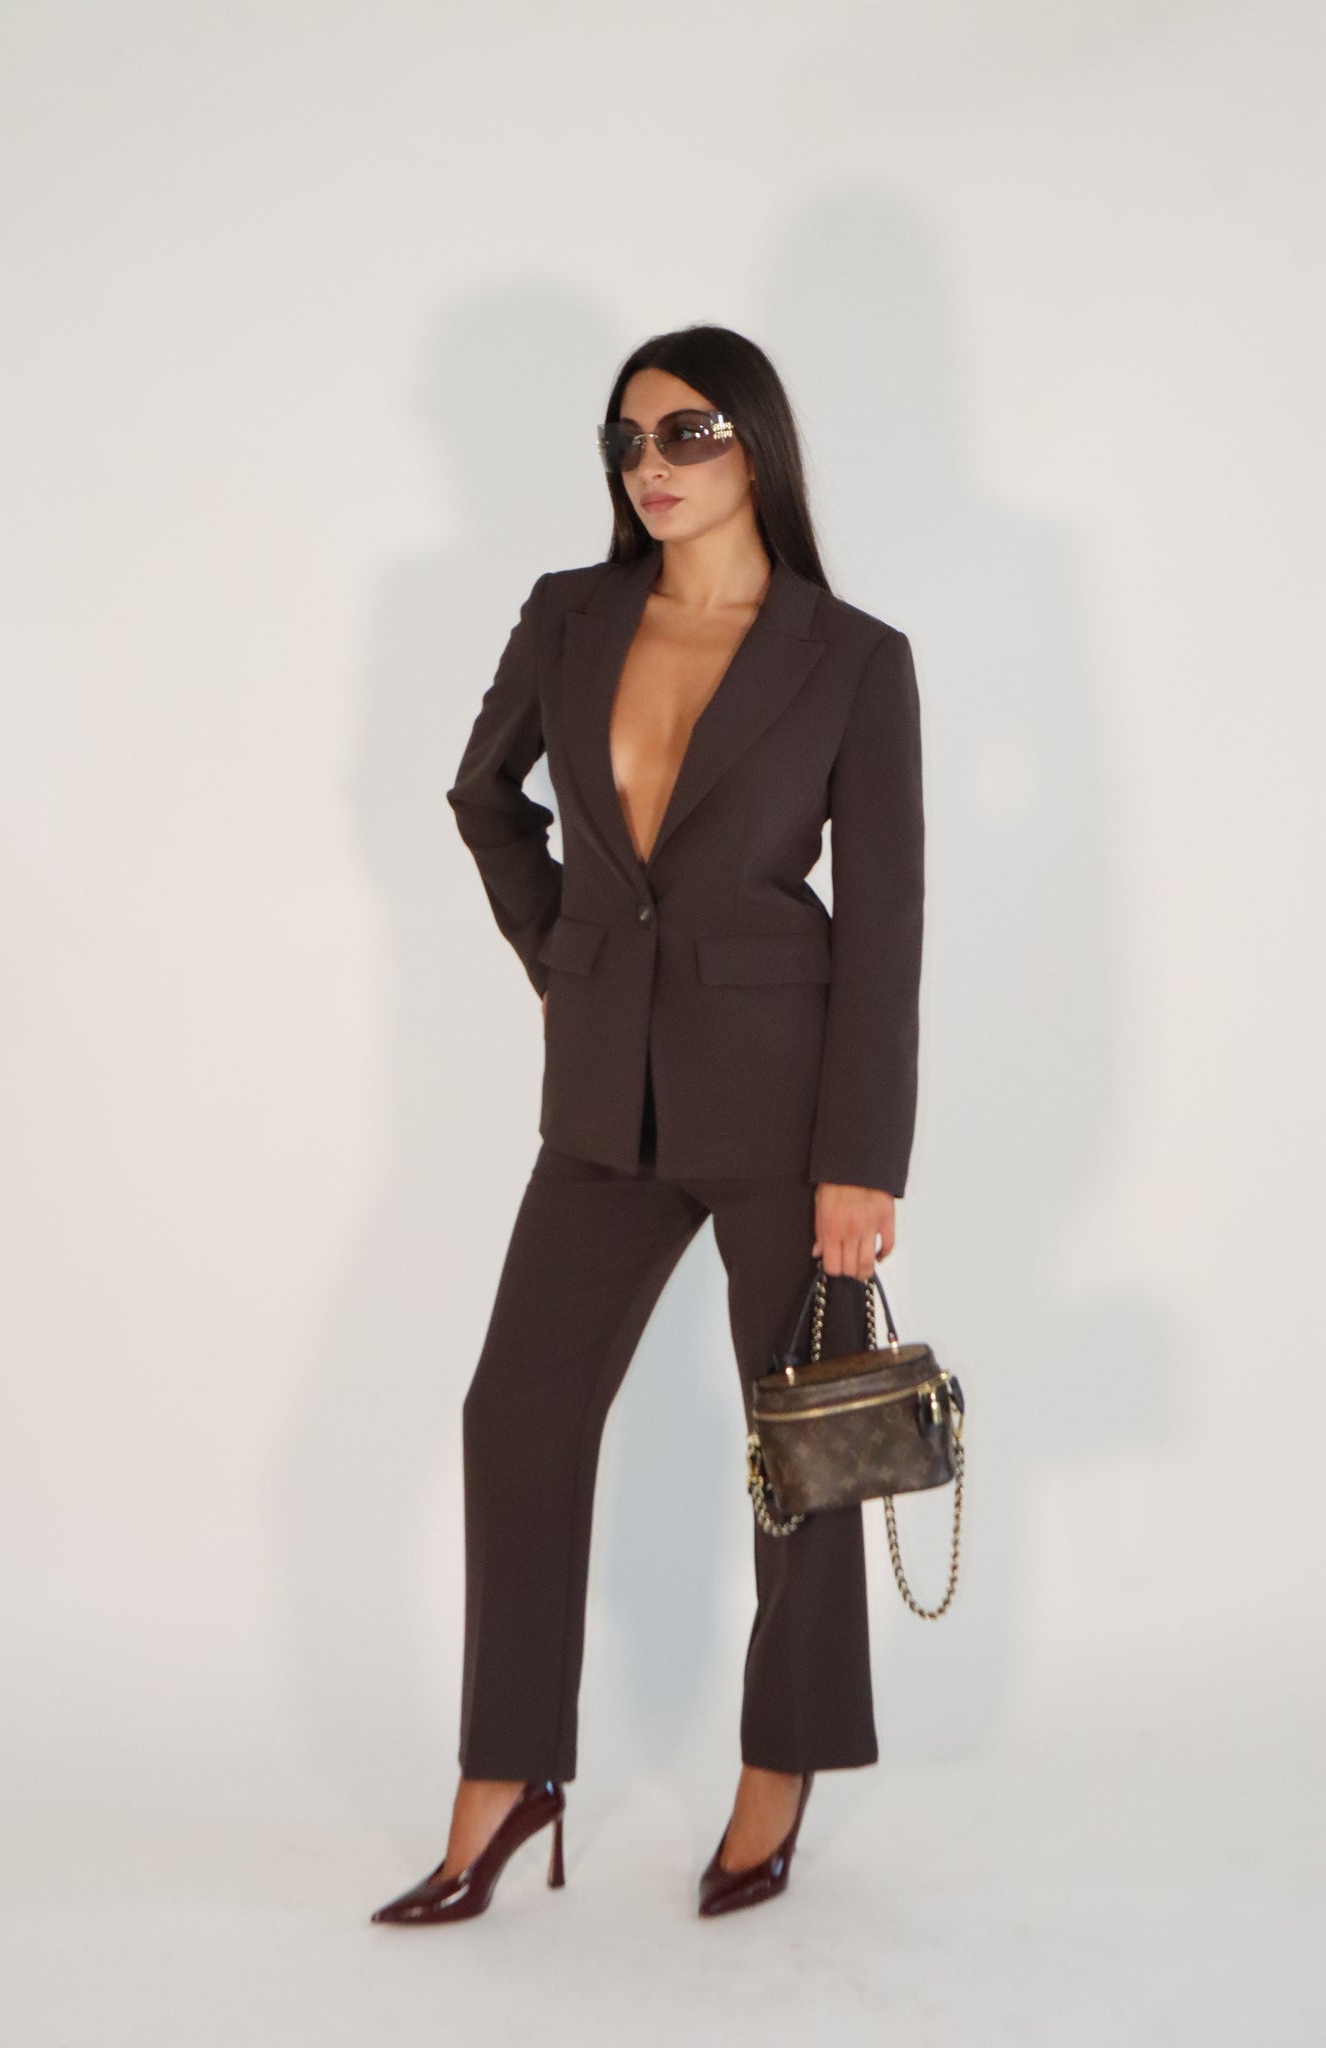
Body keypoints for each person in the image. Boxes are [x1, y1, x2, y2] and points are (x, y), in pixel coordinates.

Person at [371, 324, 925, 1925]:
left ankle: (781, 1763)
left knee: (804, 1445)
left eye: (685, 433)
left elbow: (884, 918)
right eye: (625, 440)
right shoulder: (571, 612)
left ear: (755, 441)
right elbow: (484, 797)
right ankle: (506, 1777)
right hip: (604, 1094)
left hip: (783, 1100)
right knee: (516, 1411)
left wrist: (860, 1157)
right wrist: (565, 956)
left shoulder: (850, 655)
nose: (650, 466)